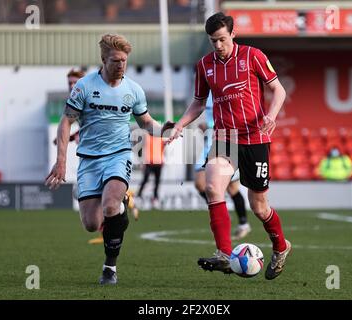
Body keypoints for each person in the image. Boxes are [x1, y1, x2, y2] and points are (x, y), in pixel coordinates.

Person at [165, 12, 291, 280]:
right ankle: (224, 253)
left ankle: (281, 247)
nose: (218, 46)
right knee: (212, 186)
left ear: (233, 34)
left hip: (255, 137)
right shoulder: (204, 65)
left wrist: (271, 116)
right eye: (213, 41)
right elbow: (198, 103)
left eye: (222, 39)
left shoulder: (253, 56)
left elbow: (278, 90)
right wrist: (179, 125)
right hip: (226, 138)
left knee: (259, 207)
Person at [46, 33, 163, 285]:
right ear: (103, 60)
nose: (121, 65)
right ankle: (120, 207)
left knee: (110, 205)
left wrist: (165, 130)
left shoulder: (133, 90)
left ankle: (110, 268)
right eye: (115, 60)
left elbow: (146, 122)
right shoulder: (85, 87)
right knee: (91, 223)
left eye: (124, 60)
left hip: (118, 155)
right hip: (89, 160)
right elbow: (66, 121)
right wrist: (61, 161)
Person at [195, 92, 251, 240]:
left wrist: (210, 126)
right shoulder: (206, 92)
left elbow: (233, 116)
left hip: (226, 140)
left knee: (232, 188)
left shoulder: (227, 89)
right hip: (209, 144)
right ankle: (222, 212)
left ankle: (243, 223)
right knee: (200, 184)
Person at [137, 132, 166, 209]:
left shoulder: (161, 136)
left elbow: (163, 149)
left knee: (157, 181)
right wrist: (142, 161)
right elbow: (143, 148)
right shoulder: (147, 136)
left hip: (159, 162)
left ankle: (155, 198)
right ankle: (139, 197)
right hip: (149, 162)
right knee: (145, 180)